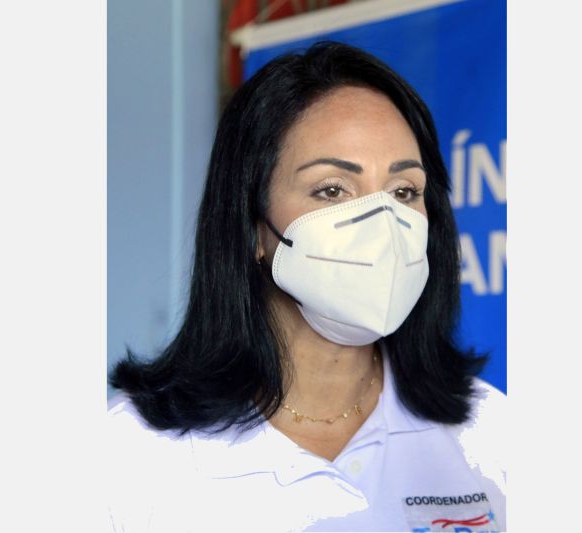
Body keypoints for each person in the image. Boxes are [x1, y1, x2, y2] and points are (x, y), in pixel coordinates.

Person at [107, 41, 506, 532]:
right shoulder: (128, 454)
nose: (382, 224)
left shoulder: (491, 436)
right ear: (254, 227)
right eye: (332, 190)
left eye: (404, 192)